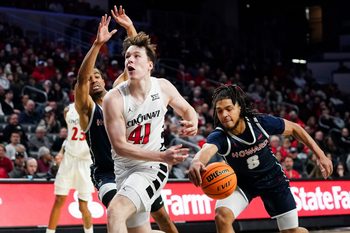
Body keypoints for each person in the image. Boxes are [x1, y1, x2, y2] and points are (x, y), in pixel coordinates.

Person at [75, 6, 181, 233]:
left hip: (138, 168)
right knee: (118, 210)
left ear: (105, 81)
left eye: (97, 76)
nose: (93, 80)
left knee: (164, 220)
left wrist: (130, 28)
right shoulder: (88, 109)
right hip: (108, 175)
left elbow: (138, 65)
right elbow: (81, 80)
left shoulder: (120, 95)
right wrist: (97, 45)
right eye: (90, 78)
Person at [188, 84, 333, 233]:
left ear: (239, 108)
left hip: (273, 180)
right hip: (242, 182)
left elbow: (296, 128)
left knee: (292, 231)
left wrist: (321, 156)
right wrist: (196, 161)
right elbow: (206, 150)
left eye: (229, 109)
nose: (224, 114)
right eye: (219, 111)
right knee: (222, 217)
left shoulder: (260, 122)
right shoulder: (219, 136)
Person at [102, 28, 198, 233]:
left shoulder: (162, 87)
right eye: (127, 56)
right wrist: (163, 154)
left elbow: (187, 109)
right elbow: (120, 147)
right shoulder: (114, 98)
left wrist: (193, 121)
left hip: (152, 167)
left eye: (137, 56)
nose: (130, 60)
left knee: (115, 212)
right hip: (124, 171)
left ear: (149, 65)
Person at [46, 101, 94, 233]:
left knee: (83, 206)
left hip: (85, 161)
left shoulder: (95, 107)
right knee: (59, 199)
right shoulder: (68, 109)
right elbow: (69, 136)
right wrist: (62, 151)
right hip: (69, 159)